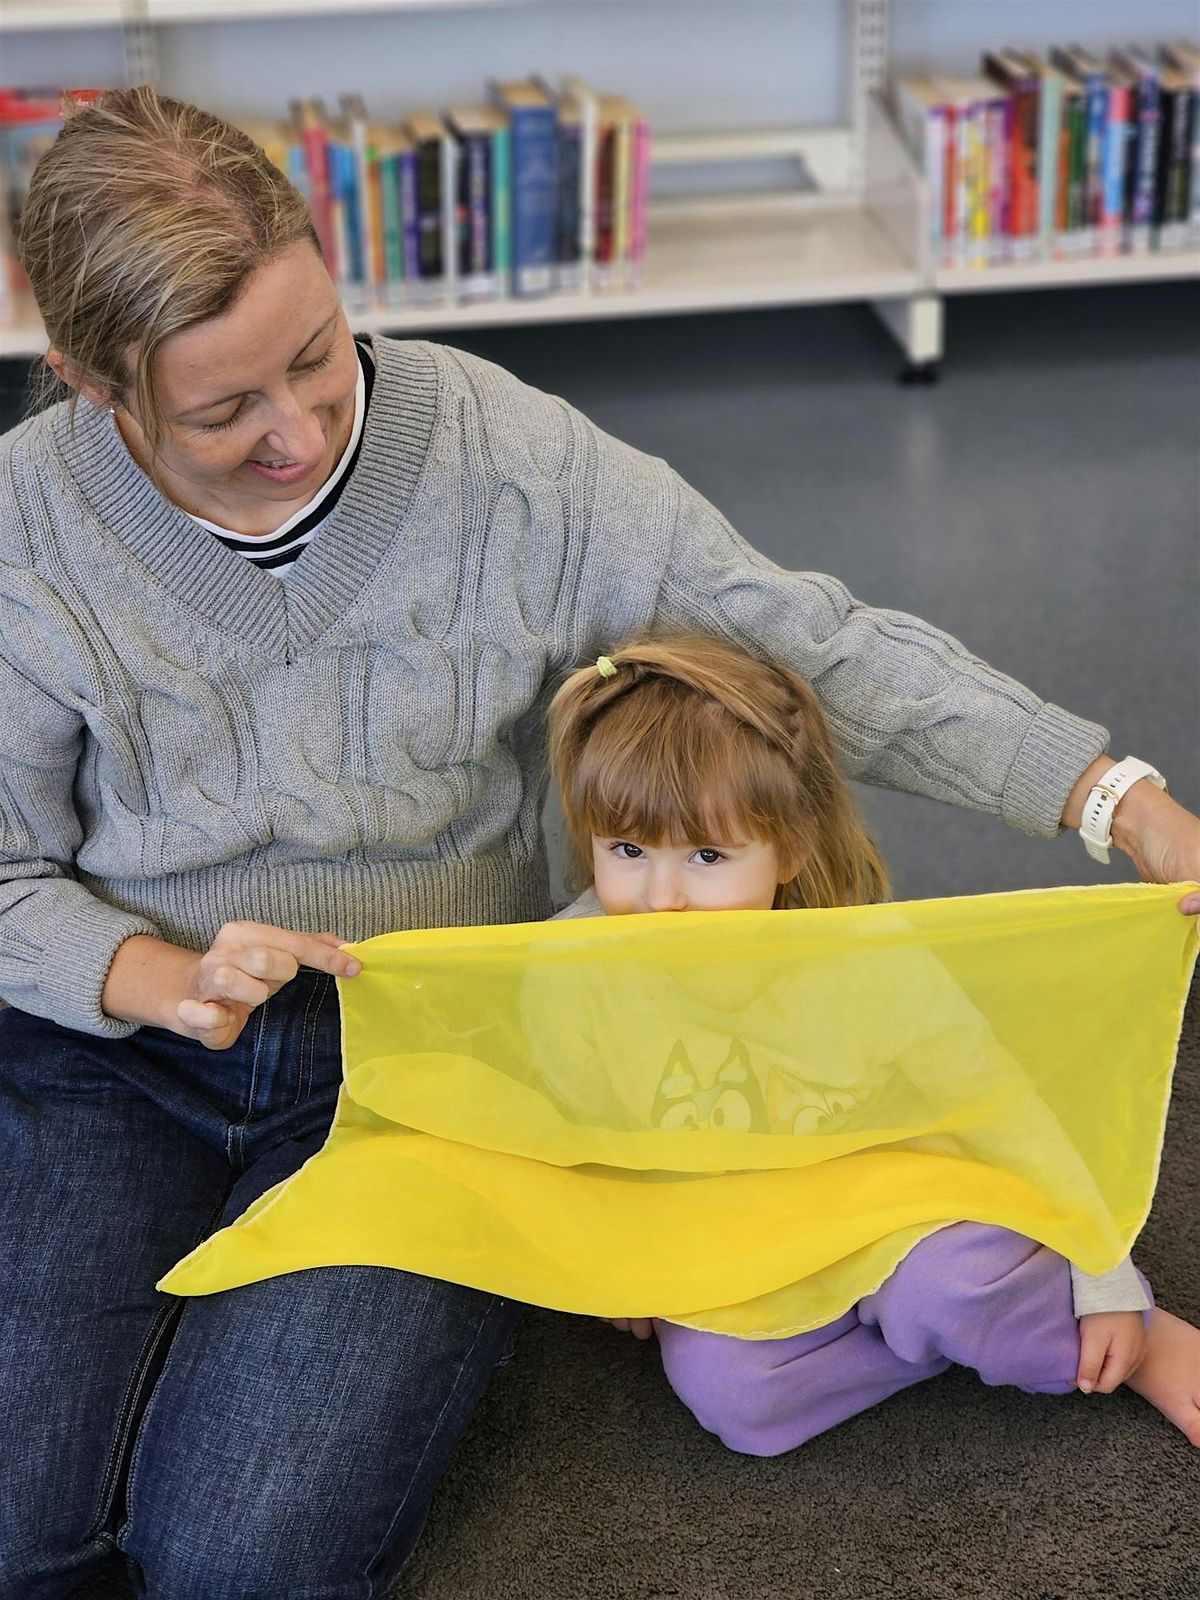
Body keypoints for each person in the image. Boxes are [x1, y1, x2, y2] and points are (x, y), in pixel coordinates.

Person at [0, 85, 1196, 1597]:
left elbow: (804, 649)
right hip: (104, 1056)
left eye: (314, 357)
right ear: (93, 387)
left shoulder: (509, 460)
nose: (299, 431)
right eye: (224, 410)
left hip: (437, 1065)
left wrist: (1119, 800)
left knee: (243, 1560)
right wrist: (149, 975)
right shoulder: (25, 534)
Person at [546, 635, 1200, 1451]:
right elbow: (567, 1126)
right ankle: (942, 1334)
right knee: (742, 1402)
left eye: (708, 856)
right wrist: (619, 1257)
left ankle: (1090, 1325)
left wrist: (1102, 1274)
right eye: (628, 851)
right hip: (732, 1243)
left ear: (788, 849)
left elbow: (1000, 1108)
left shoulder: (867, 964)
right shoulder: (568, 967)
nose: (660, 897)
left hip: (892, 1209)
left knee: (952, 1291)